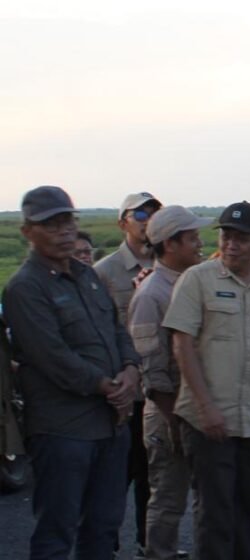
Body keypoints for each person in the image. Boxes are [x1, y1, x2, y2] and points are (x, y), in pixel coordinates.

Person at [3, 185, 140, 559]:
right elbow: (51, 356)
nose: (64, 231)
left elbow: (117, 330)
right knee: (57, 531)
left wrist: (130, 370)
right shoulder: (24, 288)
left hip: (111, 425)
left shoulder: (87, 276)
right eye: (51, 224)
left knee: (104, 526)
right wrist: (108, 386)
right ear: (27, 232)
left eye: (68, 221)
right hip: (63, 430)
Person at [163, 201, 250, 560]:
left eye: (242, 237)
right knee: (215, 511)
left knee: (247, 506)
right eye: (226, 235)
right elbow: (182, 344)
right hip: (208, 419)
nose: (231, 244)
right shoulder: (197, 280)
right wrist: (207, 408)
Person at [128, 206, 212, 560]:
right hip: (169, 411)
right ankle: (158, 553)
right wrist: (173, 419)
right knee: (168, 494)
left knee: (203, 492)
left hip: (194, 405)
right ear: (171, 243)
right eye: (192, 238)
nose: (200, 244)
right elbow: (152, 368)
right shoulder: (151, 294)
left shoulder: (191, 282)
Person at [94, 191, 163, 555]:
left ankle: (147, 543)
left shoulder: (170, 265)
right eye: (140, 213)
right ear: (122, 222)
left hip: (159, 389)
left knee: (154, 476)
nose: (147, 219)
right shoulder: (104, 272)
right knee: (113, 477)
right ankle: (102, 546)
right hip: (123, 392)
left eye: (154, 212)